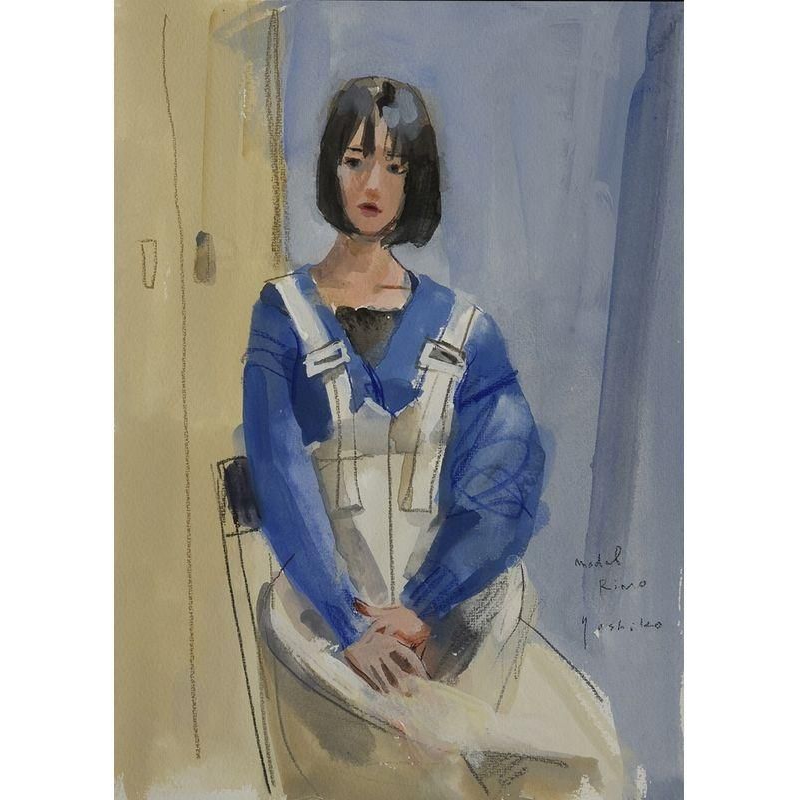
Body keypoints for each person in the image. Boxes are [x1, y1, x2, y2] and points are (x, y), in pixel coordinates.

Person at [243, 76, 624, 800]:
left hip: (446, 633)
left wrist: (423, 606)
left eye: (394, 165)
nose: (373, 184)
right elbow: (279, 475)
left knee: (588, 755)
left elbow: (504, 487)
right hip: (324, 629)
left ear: (416, 180)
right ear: (329, 169)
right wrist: (351, 628)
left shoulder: (466, 330)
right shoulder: (282, 314)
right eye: (355, 160)